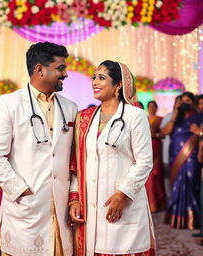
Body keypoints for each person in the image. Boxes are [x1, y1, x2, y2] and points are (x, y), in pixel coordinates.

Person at [0, 42, 78, 256]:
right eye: (60, 68)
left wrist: (73, 196)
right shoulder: (8, 104)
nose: (66, 74)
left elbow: (74, 159)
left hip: (60, 210)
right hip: (25, 207)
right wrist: (20, 190)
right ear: (39, 70)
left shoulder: (70, 108)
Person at [69, 61, 155, 256]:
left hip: (124, 205)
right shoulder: (85, 119)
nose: (94, 82)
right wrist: (74, 199)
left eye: (101, 78)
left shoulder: (136, 116)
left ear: (118, 86)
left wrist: (122, 195)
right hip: (90, 208)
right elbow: (77, 164)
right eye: (94, 77)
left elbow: (144, 162)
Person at [164, 92, 202, 229]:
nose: (186, 103)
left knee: (192, 183)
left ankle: (194, 219)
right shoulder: (177, 118)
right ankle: (178, 218)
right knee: (176, 186)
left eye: (188, 100)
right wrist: (175, 113)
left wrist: (198, 132)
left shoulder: (199, 116)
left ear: (194, 102)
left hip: (192, 156)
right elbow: (166, 132)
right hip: (175, 156)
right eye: (183, 101)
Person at [145, 100, 166, 212]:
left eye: (154, 106)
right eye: (150, 106)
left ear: (157, 108)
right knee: (147, 176)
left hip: (156, 147)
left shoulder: (161, 119)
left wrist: (155, 135)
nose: (152, 108)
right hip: (146, 147)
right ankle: (149, 204)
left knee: (156, 174)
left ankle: (158, 204)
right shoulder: (144, 118)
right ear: (147, 108)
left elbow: (164, 134)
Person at [160, 95, 181, 199]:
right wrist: (174, 116)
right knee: (168, 176)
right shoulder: (169, 116)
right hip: (168, 153)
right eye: (178, 102)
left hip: (184, 155)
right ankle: (170, 198)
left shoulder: (189, 116)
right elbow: (164, 132)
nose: (180, 105)